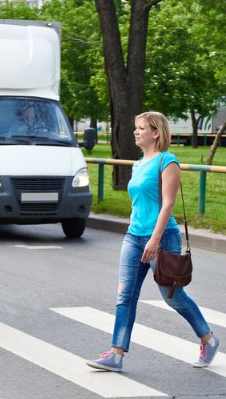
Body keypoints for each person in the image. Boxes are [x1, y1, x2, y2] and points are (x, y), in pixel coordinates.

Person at [87, 111, 219, 373]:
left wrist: (155, 239)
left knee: (172, 296)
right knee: (125, 296)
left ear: (156, 132)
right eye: (135, 128)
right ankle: (116, 354)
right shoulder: (138, 164)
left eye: (141, 128)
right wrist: (140, 234)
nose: (135, 132)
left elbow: (168, 204)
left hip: (161, 237)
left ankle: (208, 339)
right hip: (133, 236)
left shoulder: (168, 162)